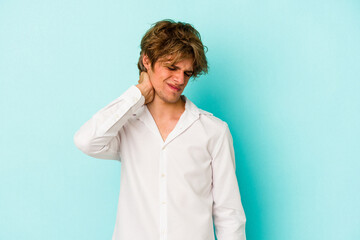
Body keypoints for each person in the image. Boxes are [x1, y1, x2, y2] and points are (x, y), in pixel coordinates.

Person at [73, 19, 246, 240]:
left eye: (187, 73)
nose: (179, 79)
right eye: (172, 67)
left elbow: (229, 214)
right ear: (147, 60)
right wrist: (139, 93)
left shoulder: (214, 131)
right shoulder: (127, 125)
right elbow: (86, 141)